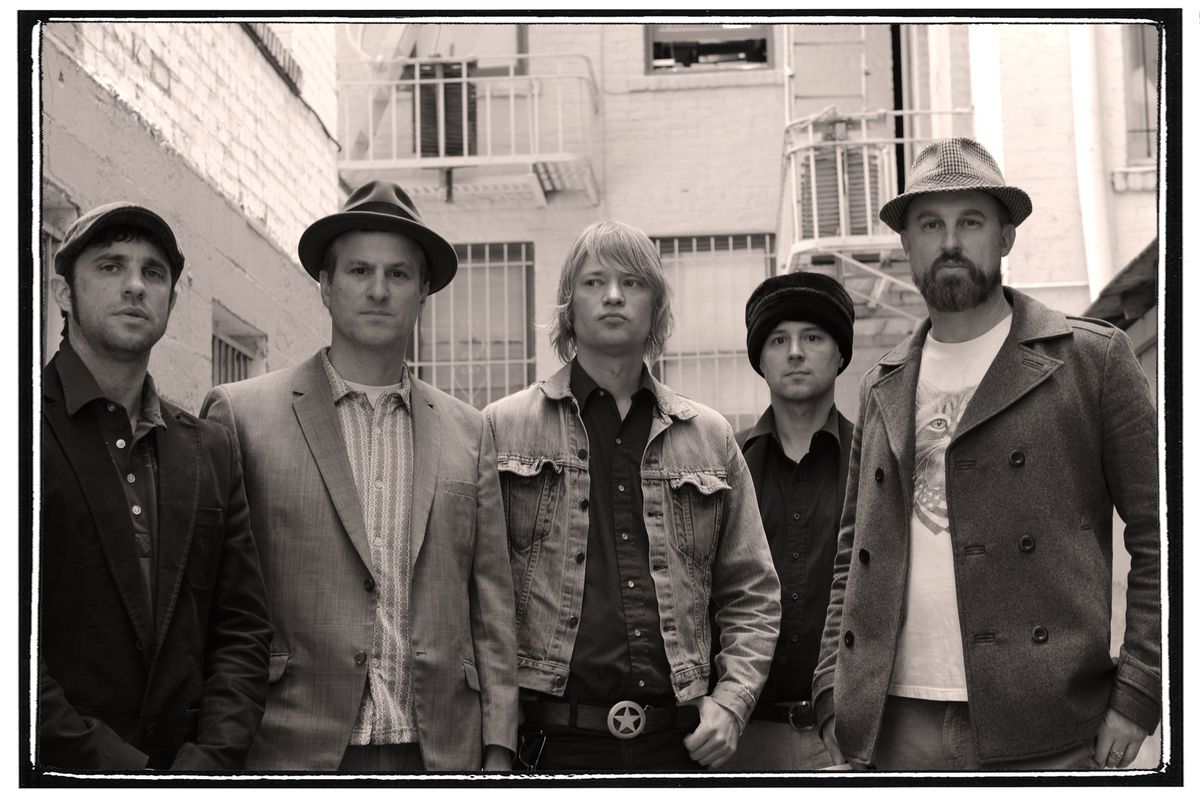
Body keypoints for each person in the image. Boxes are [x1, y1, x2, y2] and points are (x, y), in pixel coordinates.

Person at [813, 138, 1160, 770]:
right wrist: (832, 690)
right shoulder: (880, 382)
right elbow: (852, 552)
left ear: (1005, 237)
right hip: (891, 723)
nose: (950, 242)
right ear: (907, 244)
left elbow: (1163, 534)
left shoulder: (1091, 360)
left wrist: (1140, 691)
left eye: (970, 221)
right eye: (930, 225)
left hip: (1048, 727)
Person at [201, 181, 517, 772]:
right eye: (359, 271)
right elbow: (214, 600)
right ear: (325, 285)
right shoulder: (243, 415)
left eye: (398, 274)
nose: (378, 290)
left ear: (423, 292)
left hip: (440, 756)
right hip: (288, 749)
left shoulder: (470, 431)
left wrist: (498, 749)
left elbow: (491, 604)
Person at [483, 220, 780, 771]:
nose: (614, 296)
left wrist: (732, 701)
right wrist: (495, 738)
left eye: (633, 282)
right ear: (569, 305)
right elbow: (477, 595)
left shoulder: (709, 436)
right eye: (594, 282)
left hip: (678, 745)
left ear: (656, 306)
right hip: (550, 744)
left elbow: (753, 591)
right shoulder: (502, 428)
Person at [40, 203, 272, 770]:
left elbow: (241, 629)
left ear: (171, 301)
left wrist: (208, 764)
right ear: (63, 292)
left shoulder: (210, 448)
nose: (135, 286)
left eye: (154, 272)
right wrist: (125, 773)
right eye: (110, 266)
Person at [723, 271, 855, 771]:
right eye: (778, 340)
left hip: (849, 735)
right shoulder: (723, 464)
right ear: (760, 359)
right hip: (742, 737)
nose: (795, 353)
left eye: (813, 338)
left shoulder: (875, 463)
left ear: (840, 353)